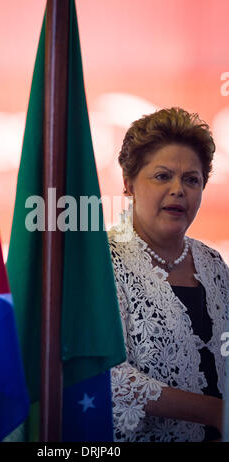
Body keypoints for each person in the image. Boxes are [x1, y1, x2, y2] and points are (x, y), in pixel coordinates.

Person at [108, 107, 229, 442]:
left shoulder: (214, 264)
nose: (179, 189)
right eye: (163, 176)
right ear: (129, 183)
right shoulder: (103, 263)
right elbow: (107, 375)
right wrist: (214, 411)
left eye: (191, 179)